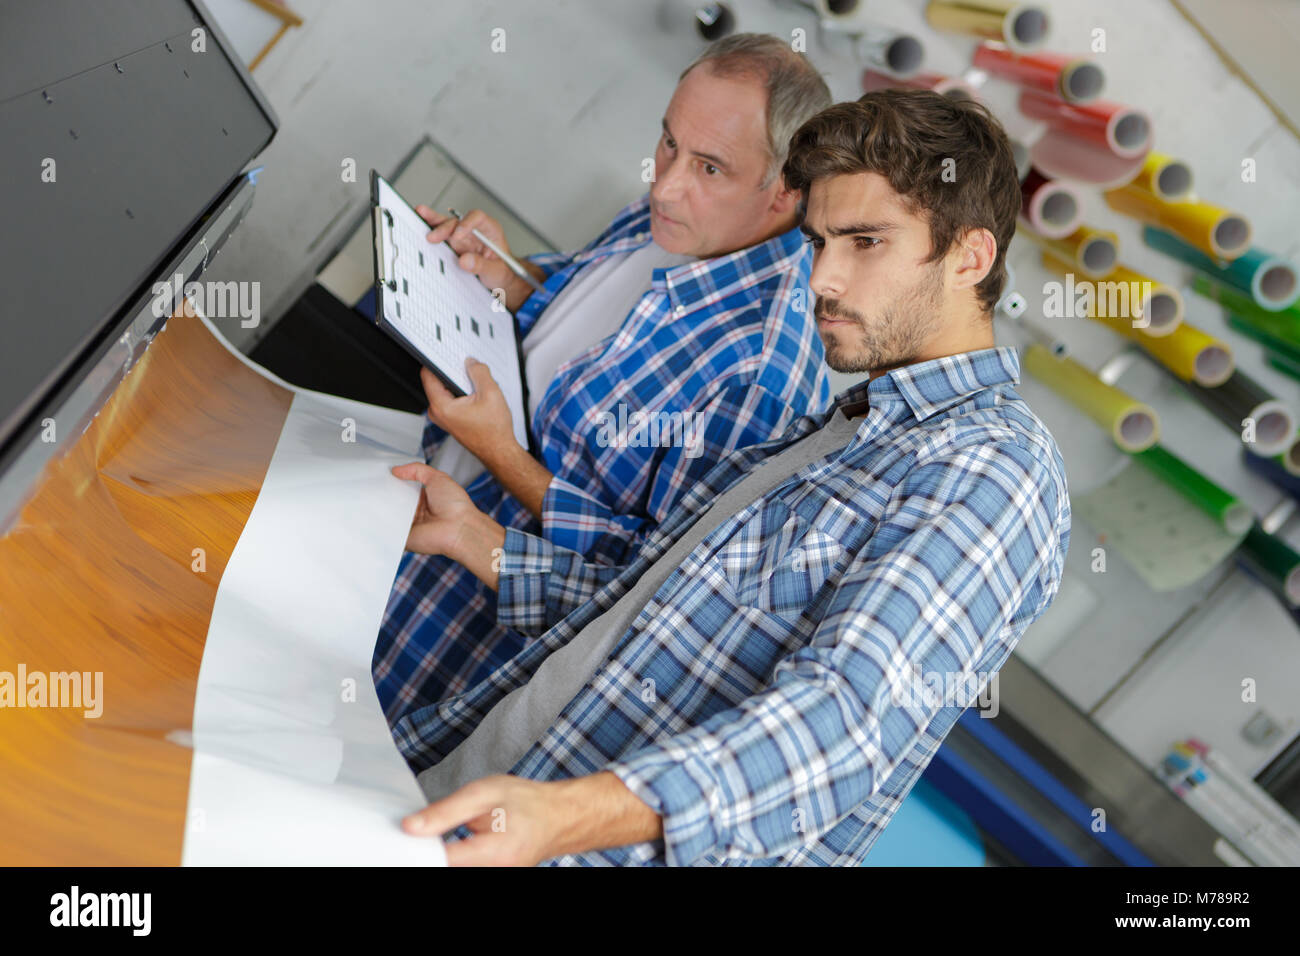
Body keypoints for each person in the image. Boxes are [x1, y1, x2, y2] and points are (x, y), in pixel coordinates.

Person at [387, 88, 1073, 866]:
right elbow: (648, 619)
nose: (823, 278)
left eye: (866, 243)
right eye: (819, 242)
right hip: (470, 790)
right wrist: (485, 543)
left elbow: (843, 725)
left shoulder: (993, 472)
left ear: (970, 258)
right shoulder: (844, 430)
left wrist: (564, 817)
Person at [373, 34, 834, 725]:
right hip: (397, 552)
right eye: (669, 142)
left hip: (451, 652)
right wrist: (510, 278)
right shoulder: (669, 221)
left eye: (710, 168)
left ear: (786, 194)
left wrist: (503, 454)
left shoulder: (761, 376)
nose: (665, 181)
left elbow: (642, 584)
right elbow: (590, 329)